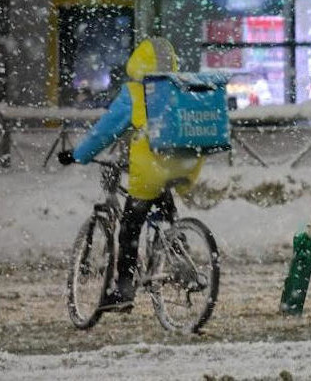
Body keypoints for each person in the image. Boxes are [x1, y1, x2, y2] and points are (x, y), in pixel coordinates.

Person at [58, 39, 204, 312]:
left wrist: (79, 154)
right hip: (181, 164)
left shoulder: (136, 93)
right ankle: (179, 255)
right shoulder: (177, 89)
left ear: (138, 62)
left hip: (149, 171)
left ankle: (123, 290)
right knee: (164, 213)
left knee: (129, 229)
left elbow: (105, 132)